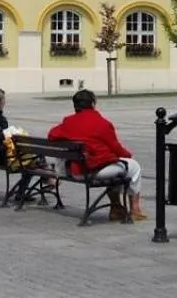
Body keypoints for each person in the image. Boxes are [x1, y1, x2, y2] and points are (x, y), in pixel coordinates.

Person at [47, 89, 145, 223]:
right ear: (93, 104)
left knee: (116, 166)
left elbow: (52, 134)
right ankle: (134, 210)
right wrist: (128, 156)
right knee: (133, 167)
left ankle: (116, 208)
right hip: (91, 170)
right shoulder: (102, 123)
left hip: (74, 170)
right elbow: (116, 148)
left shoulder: (68, 121)